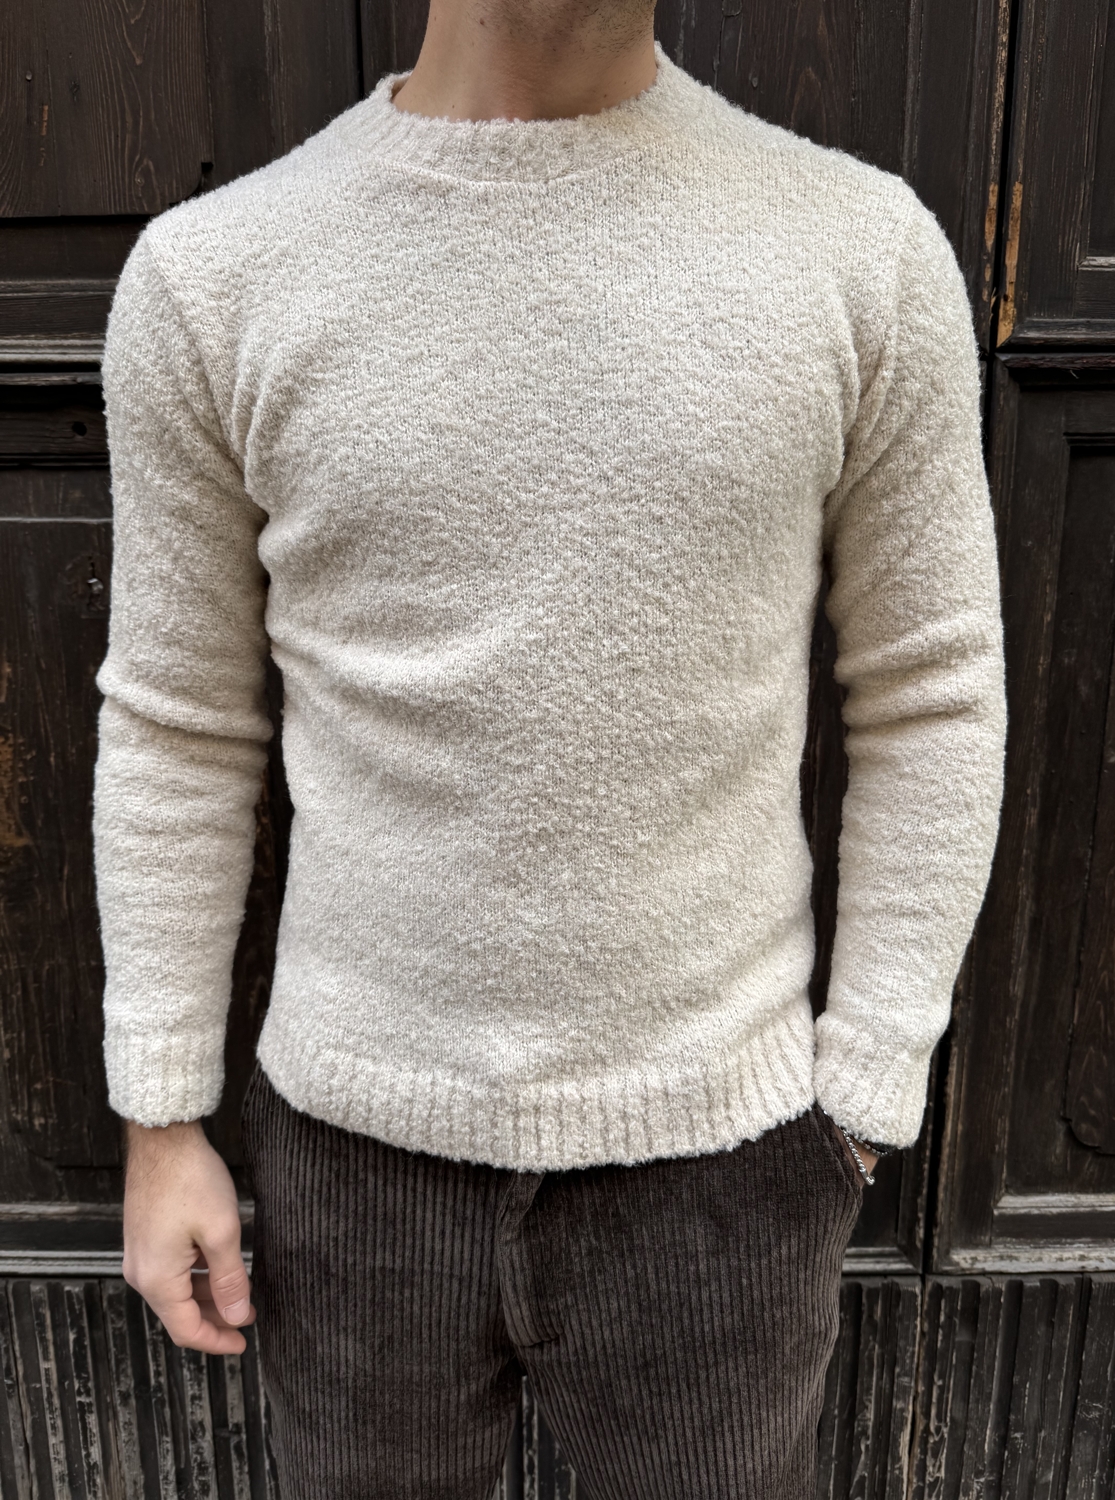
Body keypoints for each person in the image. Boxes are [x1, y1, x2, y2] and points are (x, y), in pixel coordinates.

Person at [92, 0, 1007, 1494]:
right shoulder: (215, 277)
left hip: (727, 1163)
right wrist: (160, 1116)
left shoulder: (860, 252)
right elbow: (178, 721)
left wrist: (865, 1092)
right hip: (349, 1163)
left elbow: (931, 692)